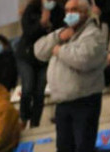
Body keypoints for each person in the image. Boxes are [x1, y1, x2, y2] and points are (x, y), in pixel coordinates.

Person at [35, 0, 108, 152]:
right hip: (63, 100)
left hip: (85, 98)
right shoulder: (63, 33)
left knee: (83, 147)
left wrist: (59, 50)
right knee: (63, 148)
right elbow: (39, 50)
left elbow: (84, 59)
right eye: (67, 10)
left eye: (74, 10)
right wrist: (58, 37)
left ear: (85, 12)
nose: (70, 13)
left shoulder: (94, 34)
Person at [18, 0, 64, 129]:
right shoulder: (31, 9)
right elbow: (28, 33)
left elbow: (61, 33)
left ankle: (34, 123)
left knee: (39, 91)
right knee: (27, 87)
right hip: (27, 55)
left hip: (45, 57)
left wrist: (50, 26)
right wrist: (41, 24)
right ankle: (23, 117)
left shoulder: (59, 11)